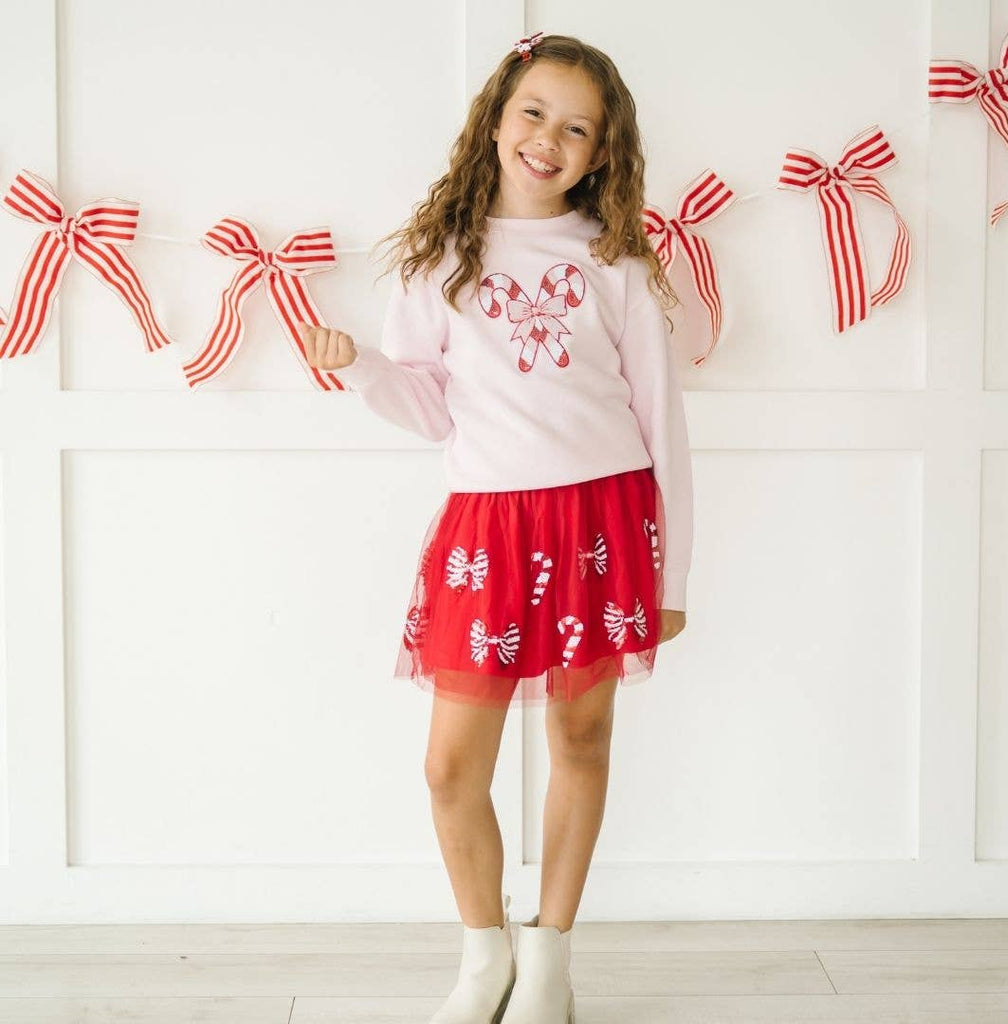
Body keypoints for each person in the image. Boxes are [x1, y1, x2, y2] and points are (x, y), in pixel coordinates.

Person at [300, 30, 693, 1024]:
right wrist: (358, 368)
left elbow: (664, 426)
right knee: (447, 767)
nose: (548, 139)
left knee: (581, 735)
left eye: (575, 128)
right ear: (494, 117)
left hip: (604, 517)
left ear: (602, 153)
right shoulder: (439, 259)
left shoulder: (617, 263)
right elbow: (431, 411)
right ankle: (485, 954)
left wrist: (673, 577)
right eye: (533, 113)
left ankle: (549, 956)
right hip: (488, 527)